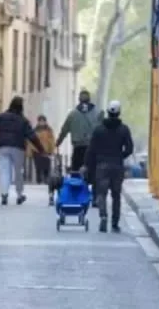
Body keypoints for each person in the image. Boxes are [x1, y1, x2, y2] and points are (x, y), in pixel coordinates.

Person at [83, 100, 134, 233]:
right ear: (119, 112)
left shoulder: (99, 129)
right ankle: (115, 223)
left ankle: (103, 215)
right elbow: (130, 148)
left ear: (107, 112)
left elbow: (91, 149)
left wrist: (87, 164)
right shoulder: (124, 129)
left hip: (102, 165)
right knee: (116, 195)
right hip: (117, 165)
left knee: (101, 193)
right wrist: (120, 156)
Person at [56, 89, 104, 171]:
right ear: (89, 99)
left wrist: (58, 142)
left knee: (76, 173)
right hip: (92, 149)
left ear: (79, 100)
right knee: (93, 173)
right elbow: (104, 131)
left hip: (78, 149)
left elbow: (64, 130)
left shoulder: (72, 114)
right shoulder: (99, 113)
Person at [32, 115, 56, 206]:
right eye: (40, 121)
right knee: (38, 166)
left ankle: (46, 180)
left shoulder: (49, 130)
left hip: (46, 151)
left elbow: (52, 140)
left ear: (45, 121)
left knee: (46, 166)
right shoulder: (35, 130)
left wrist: (51, 149)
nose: (41, 122)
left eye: (43, 121)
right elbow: (31, 140)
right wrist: (31, 150)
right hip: (37, 151)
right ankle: (39, 180)